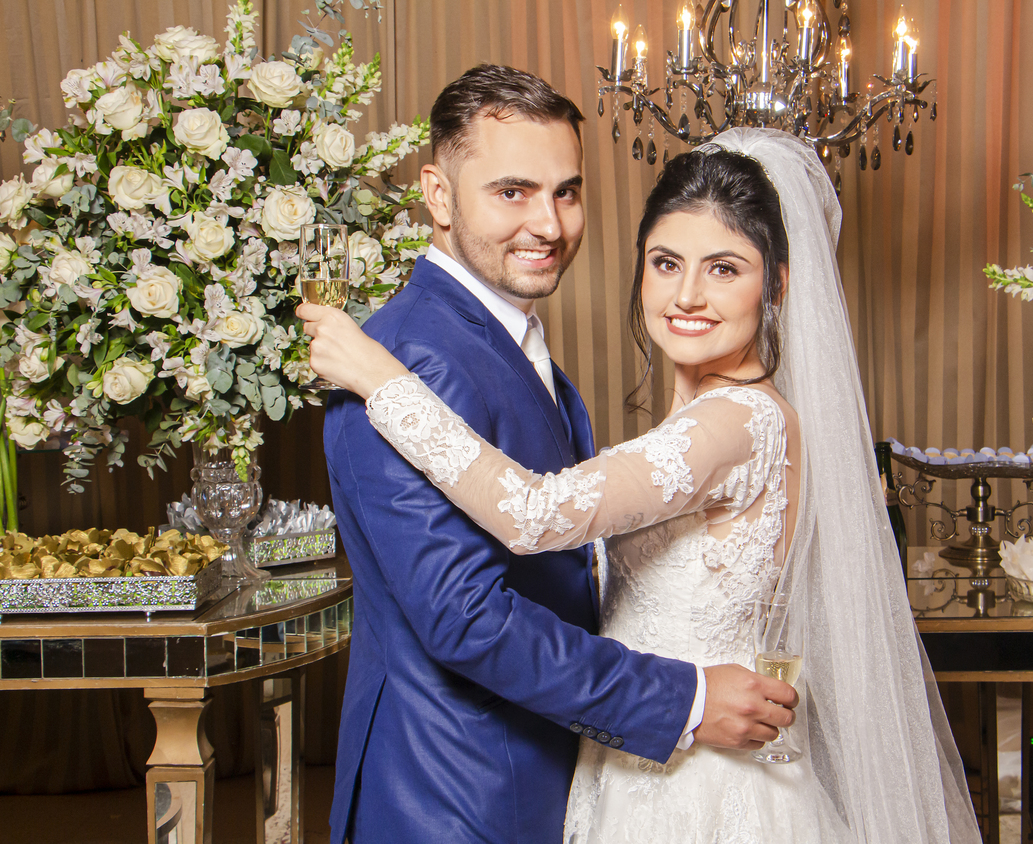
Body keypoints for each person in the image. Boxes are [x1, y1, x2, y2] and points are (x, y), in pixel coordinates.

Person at [302, 128, 981, 843]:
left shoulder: (735, 423)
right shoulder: (697, 420)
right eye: (666, 263)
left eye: (724, 269)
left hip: (699, 783)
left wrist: (382, 380)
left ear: (777, 285)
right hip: (632, 760)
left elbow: (533, 514)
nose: (688, 295)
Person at [321, 66, 799, 844]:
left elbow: (567, 561)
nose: (547, 223)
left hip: (566, 774)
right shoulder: (411, 358)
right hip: (459, 794)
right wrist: (683, 700)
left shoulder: (502, 343)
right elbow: (466, 619)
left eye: (566, 192)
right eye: (512, 192)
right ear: (438, 196)